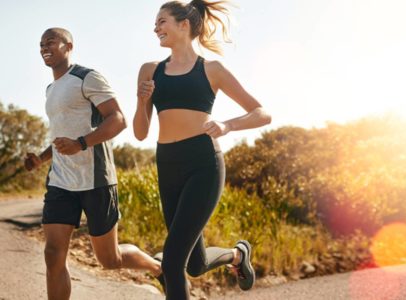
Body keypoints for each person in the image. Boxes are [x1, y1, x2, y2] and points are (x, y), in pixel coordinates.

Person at [133, 1, 272, 299]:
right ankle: (238, 255)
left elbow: (262, 113)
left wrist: (227, 126)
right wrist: (142, 100)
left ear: (183, 25)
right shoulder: (149, 70)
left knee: (171, 261)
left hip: (203, 164)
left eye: (161, 22)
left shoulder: (212, 69)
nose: (155, 28)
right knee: (194, 264)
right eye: (155, 23)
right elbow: (140, 132)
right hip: (167, 164)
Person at [25, 27, 162, 300]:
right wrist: (41, 158)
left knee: (109, 260)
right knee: (53, 255)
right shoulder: (51, 89)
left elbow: (118, 119)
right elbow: (60, 135)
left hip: (96, 180)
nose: (44, 46)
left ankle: (159, 268)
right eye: (41, 44)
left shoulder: (87, 77)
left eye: (50, 41)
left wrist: (81, 143)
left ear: (69, 45)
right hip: (61, 181)